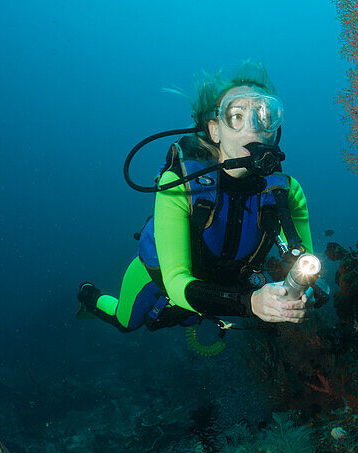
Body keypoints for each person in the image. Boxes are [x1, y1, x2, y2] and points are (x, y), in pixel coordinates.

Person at [77, 62, 316, 333]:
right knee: (126, 321)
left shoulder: (287, 191)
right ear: (214, 130)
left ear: (275, 128)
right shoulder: (179, 184)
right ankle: (89, 296)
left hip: (217, 291)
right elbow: (177, 281)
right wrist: (250, 303)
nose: (253, 128)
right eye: (236, 116)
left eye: (264, 114)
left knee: (191, 316)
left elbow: (305, 264)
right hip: (159, 277)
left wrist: (302, 293)